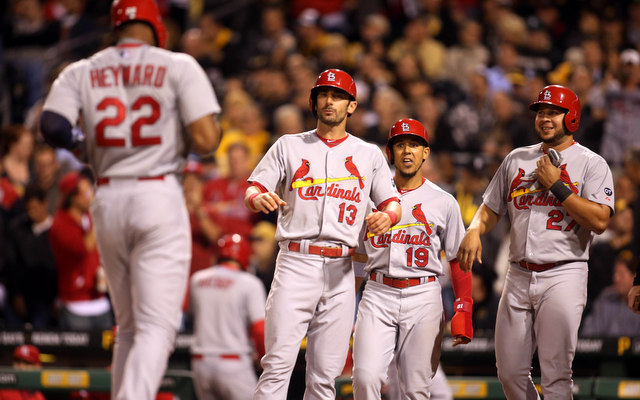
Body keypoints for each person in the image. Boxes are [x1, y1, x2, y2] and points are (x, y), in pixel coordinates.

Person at [38, 0, 220, 398]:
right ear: (157, 28)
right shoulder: (177, 65)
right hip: (156, 192)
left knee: (130, 326)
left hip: (107, 195)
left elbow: (51, 125)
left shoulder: (83, 68)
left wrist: (82, 147)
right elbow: (207, 141)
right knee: (158, 326)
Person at [244, 68, 401, 400]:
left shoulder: (368, 153)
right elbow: (254, 187)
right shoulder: (289, 145)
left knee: (325, 376)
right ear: (313, 101)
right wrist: (257, 197)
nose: (330, 101)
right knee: (277, 365)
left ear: (352, 106)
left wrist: (387, 217)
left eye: (338, 96)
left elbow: (392, 203)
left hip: (342, 270)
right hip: (295, 261)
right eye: (324, 95)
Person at [457, 84, 614, 400]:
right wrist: (474, 229)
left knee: (556, 375)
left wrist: (558, 186)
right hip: (517, 275)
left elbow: (599, 220)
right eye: (541, 112)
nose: (545, 118)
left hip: (564, 273)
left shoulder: (591, 163)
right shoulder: (517, 158)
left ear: (571, 118)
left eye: (553, 112)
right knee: (510, 372)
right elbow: (490, 208)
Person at [351, 118, 472, 399]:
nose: (407, 151)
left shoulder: (443, 200)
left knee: (416, 389)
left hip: (423, 294)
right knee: (365, 377)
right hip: (378, 292)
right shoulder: (368, 198)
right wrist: (346, 301)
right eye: (401, 145)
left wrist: (463, 306)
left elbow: (457, 258)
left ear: (425, 153)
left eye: (414, 145)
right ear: (389, 152)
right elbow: (357, 255)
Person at [189, 234, 266, 400]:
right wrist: (265, 360)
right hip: (234, 363)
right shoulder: (250, 283)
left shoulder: (197, 280)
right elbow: (260, 330)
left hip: (200, 364)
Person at [49, 171, 113, 331]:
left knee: (106, 354)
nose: (90, 196)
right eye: (85, 192)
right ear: (73, 197)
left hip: (99, 300)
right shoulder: (60, 223)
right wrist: (95, 213)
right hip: (75, 304)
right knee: (78, 355)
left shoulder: (89, 218)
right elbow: (84, 247)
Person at [581, 253, 640, 336]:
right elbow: (588, 334)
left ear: (635, 277)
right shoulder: (605, 297)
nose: (616, 279)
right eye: (615, 273)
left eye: (621, 274)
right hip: (605, 349)